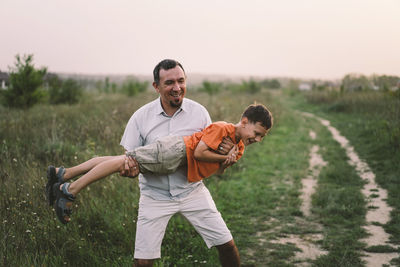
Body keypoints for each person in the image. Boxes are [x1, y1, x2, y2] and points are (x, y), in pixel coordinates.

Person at [46, 59, 261, 267]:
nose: (177, 87)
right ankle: (67, 185)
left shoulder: (200, 112)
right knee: (142, 262)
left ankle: (63, 176)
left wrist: (226, 159)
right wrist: (130, 170)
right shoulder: (141, 117)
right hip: (154, 195)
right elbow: (126, 159)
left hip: (191, 191)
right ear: (156, 86)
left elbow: (210, 154)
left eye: (181, 81)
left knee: (227, 245)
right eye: (169, 83)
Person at [47, 104, 273, 225]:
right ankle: (70, 190)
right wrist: (223, 157)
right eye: (256, 133)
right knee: (123, 161)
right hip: (175, 151)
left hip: (174, 160)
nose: (258, 140)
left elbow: (217, 170)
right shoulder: (223, 128)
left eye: (262, 137)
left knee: (116, 160)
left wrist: (227, 163)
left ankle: (63, 174)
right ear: (244, 122)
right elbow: (200, 152)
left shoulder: (239, 148)